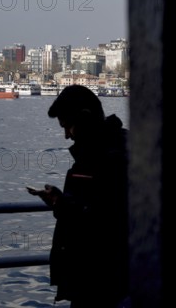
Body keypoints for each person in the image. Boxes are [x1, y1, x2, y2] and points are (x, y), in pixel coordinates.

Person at [27, 85, 130, 307]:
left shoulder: (110, 157)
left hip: (101, 282)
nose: (66, 136)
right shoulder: (109, 150)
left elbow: (105, 220)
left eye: (67, 127)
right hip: (99, 280)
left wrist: (62, 204)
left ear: (84, 118)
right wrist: (60, 201)